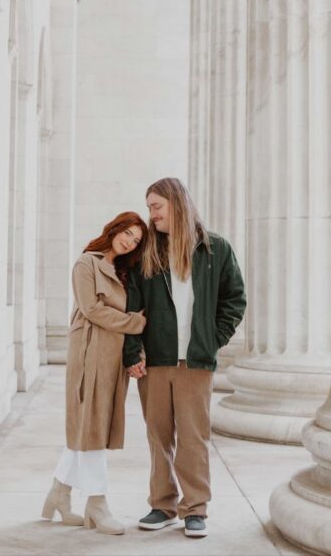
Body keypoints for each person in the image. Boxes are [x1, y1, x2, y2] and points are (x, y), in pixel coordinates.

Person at [123, 177, 246, 539]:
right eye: (149, 207)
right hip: (155, 360)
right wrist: (133, 352)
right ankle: (162, 505)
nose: (152, 214)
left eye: (156, 206)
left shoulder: (216, 249)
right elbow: (133, 305)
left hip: (195, 361)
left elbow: (234, 300)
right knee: (158, 435)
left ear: (176, 204)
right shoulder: (147, 252)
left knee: (193, 437)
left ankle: (195, 508)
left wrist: (213, 340)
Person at [41, 212, 148, 535]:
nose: (129, 241)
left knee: (92, 426)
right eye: (127, 233)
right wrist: (136, 321)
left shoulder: (127, 272)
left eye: (136, 239)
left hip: (113, 356)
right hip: (89, 354)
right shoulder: (86, 263)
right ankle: (97, 504)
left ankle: (59, 493)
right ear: (114, 229)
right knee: (91, 427)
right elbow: (91, 309)